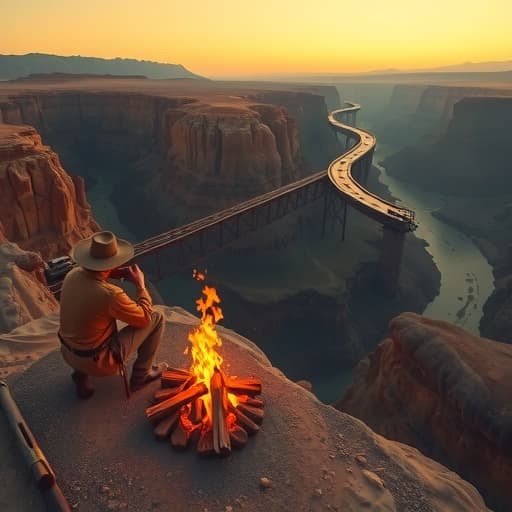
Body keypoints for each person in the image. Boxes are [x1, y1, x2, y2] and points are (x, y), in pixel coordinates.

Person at [58, 230, 167, 399]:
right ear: (111, 263)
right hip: (99, 362)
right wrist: (140, 285)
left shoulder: (71, 275)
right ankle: (141, 376)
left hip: (68, 353)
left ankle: (81, 375)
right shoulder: (111, 294)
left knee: (85, 325)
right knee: (157, 318)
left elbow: (90, 285)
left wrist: (110, 273)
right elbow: (144, 318)